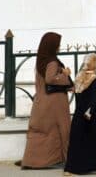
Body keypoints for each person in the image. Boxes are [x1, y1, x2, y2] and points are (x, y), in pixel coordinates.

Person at [20, 32, 73, 169]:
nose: (59, 47)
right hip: (54, 102)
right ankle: (63, 160)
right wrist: (65, 75)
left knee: (44, 130)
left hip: (42, 101)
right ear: (52, 45)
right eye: (58, 44)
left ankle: (32, 161)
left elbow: (45, 81)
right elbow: (51, 79)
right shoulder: (52, 62)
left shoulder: (41, 61)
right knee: (62, 129)